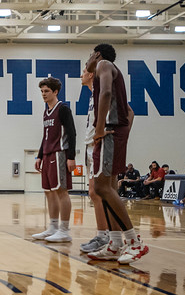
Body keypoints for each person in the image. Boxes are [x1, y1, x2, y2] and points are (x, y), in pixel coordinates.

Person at [84, 43, 148, 264]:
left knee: (101, 187)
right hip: (114, 133)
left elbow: (108, 92)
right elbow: (129, 111)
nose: (88, 60)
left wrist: (100, 128)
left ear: (97, 54)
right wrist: (124, 133)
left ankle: (134, 242)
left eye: (89, 54)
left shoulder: (103, 64)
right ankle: (115, 243)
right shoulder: (107, 71)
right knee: (107, 189)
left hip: (108, 133)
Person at [31, 77, 76, 242]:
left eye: (46, 91)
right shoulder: (46, 112)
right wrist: (40, 155)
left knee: (61, 191)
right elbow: (45, 136)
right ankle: (53, 227)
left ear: (55, 92)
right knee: (49, 192)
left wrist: (71, 157)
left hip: (60, 153)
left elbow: (72, 133)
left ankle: (64, 230)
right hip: (48, 154)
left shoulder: (63, 109)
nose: (43, 94)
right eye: (42, 91)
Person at [78, 66, 111, 254]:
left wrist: (104, 132)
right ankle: (102, 235)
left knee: (100, 192)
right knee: (93, 192)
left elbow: (127, 112)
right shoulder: (92, 95)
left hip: (100, 145)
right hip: (90, 146)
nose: (81, 75)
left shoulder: (103, 92)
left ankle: (106, 236)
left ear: (91, 74)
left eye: (83, 71)